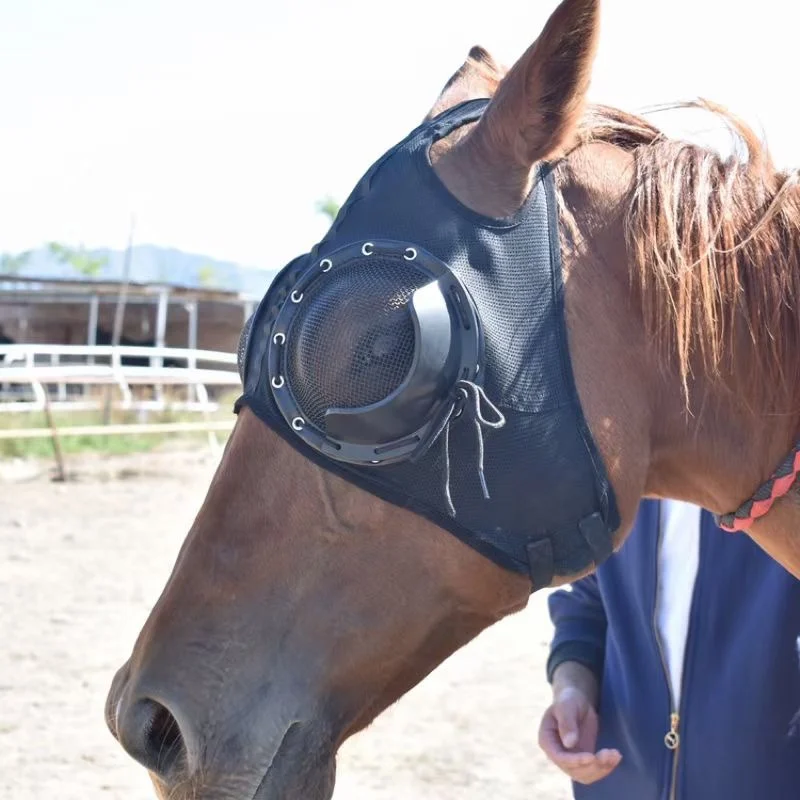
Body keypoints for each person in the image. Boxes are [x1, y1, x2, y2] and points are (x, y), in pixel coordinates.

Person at [539, 498, 800, 799]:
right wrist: (572, 689)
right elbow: (588, 601)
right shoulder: (616, 467)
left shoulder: (783, 466)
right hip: (619, 780)